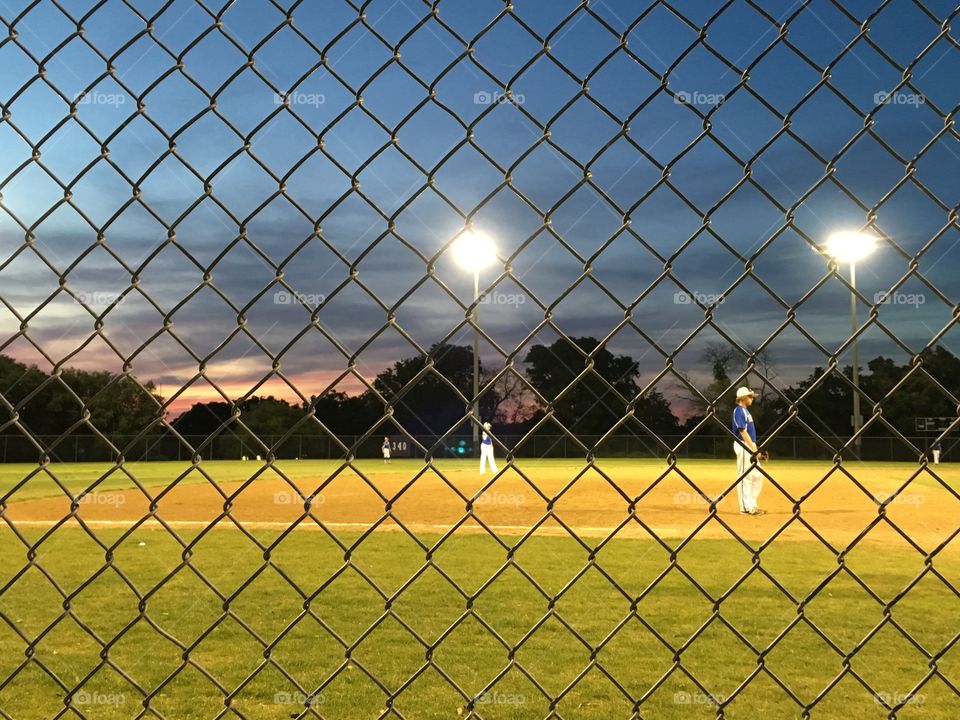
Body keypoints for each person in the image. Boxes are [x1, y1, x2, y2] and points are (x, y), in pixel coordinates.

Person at [732, 387, 766, 515]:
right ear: (743, 398)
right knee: (745, 476)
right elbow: (742, 431)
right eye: (750, 396)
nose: (752, 398)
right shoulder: (739, 410)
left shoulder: (746, 412)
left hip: (750, 445)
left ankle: (752, 505)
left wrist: (757, 451)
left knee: (757, 475)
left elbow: (750, 435)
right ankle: (745, 508)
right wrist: (753, 449)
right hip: (743, 445)